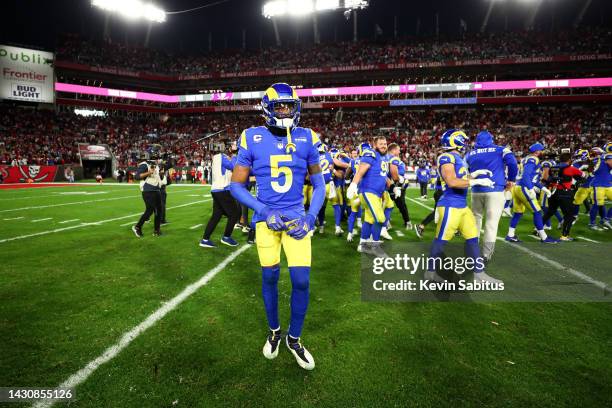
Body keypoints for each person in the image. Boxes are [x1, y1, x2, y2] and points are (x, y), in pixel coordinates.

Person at [230, 83, 325, 371]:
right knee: (269, 278)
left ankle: (293, 339)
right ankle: (274, 331)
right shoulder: (251, 137)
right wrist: (263, 209)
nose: (285, 111)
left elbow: (319, 184)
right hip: (266, 221)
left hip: (297, 219)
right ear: (267, 109)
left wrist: (310, 218)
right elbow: (236, 185)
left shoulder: (308, 137)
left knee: (301, 281)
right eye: (279, 106)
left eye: (289, 106)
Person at [425, 129, 502, 284]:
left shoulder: (456, 157)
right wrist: (476, 181)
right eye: (463, 140)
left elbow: (460, 178)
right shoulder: (446, 157)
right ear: (456, 141)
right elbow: (452, 181)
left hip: (462, 206)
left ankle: (479, 274)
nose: (465, 143)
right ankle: (430, 273)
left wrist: (473, 175)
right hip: (449, 206)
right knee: (440, 241)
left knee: (473, 238)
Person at [465, 130, 518, 261]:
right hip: (495, 190)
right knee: (491, 224)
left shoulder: (469, 154)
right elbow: (512, 163)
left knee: (475, 221)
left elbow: (464, 172)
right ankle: (486, 255)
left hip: (476, 191)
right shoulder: (501, 150)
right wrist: (511, 180)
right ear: (491, 139)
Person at [346, 136, 396, 256]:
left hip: (376, 193)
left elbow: (383, 176)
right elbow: (361, 170)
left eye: (385, 143)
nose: (384, 145)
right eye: (381, 144)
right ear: (375, 145)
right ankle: (375, 247)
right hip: (369, 191)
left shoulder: (384, 157)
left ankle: (362, 245)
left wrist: (393, 187)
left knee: (369, 220)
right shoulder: (371, 154)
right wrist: (353, 185)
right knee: (380, 218)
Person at [505, 143, 559, 243]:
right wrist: (530, 189)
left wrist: (544, 189)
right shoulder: (533, 159)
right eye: (541, 150)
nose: (543, 152)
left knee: (518, 213)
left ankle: (510, 235)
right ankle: (544, 237)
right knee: (537, 212)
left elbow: (533, 179)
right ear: (537, 151)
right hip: (524, 187)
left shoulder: (526, 158)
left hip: (517, 187)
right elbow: (526, 175)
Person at [199, 144, 240, 248]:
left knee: (216, 216)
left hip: (216, 190)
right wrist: (235, 154)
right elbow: (233, 167)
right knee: (235, 214)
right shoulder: (221, 157)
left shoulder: (215, 159)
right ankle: (226, 237)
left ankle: (205, 239)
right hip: (222, 190)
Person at [542, 153, 587, 241]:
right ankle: (564, 236)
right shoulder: (571, 168)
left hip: (553, 193)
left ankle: (538, 229)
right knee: (569, 215)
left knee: (550, 212)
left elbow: (549, 179)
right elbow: (583, 176)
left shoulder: (553, 167)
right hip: (565, 194)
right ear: (569, 160)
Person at [132, 160, 162, 238]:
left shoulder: (155, 164)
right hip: (148, 190)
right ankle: (137, 227)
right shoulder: (144, 164)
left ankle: (157, 230)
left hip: (156, 190)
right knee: (150, 210)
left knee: (159, 210)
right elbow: (137, 176)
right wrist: (149, 172)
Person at [388, 143, 412, 230]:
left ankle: (386, 222)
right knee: (401, 205)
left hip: (388, 185)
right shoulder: (394, 159)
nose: (399, 151)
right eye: (398, 149)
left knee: (387, 204)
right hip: (396, 185)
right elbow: (395, 175)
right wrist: (401, 179)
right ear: (393, 150)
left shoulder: (385, 158)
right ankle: (407, 222)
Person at [588, 146, 612, 230]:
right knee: (597, 205)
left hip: (608, 184)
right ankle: (592, 223)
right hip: (598, 185)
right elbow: (610, 162)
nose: (593, 155)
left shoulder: (599, 159)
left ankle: (606, 219)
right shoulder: (604, 157)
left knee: (598, 204)